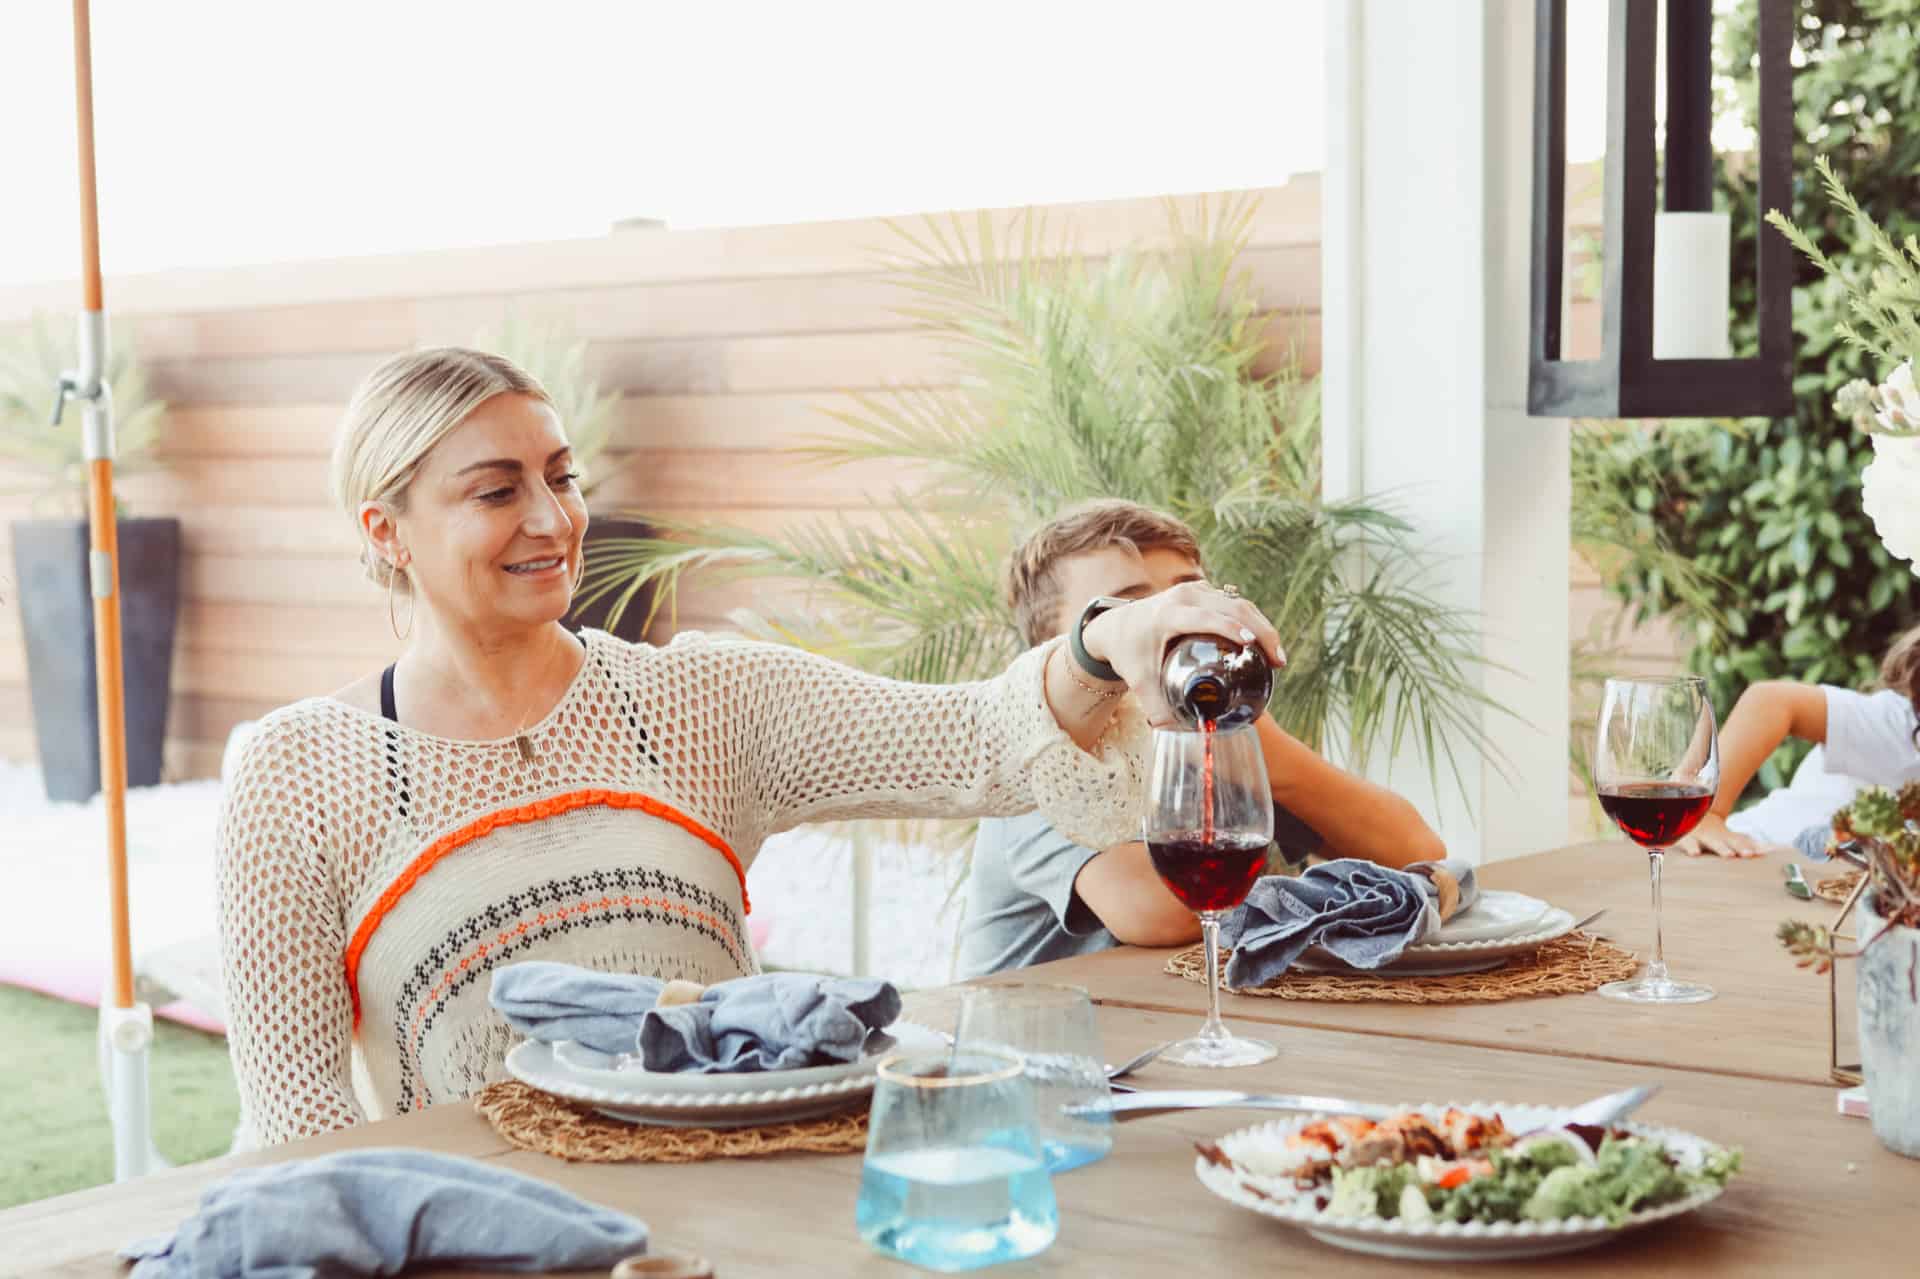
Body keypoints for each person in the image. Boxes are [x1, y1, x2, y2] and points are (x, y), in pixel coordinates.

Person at [216, 349, 1283, 1147]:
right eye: (497, 491)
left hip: (742, 1211)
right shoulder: (297, 773)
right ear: (385, 531)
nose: (552, 517)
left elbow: (975, 737)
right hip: (485, 1240)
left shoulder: (703, 698)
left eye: (562, 475)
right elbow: (297, 1118)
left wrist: (1102, 641)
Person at [956, 500, 1446, 978]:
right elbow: (1159, 911)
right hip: (1037, 1045)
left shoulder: (1210, 722)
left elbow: (1414, 849)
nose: (1167, 621)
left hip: (1168, 1032)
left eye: (1187, 597)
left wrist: (1271, 759)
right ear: (1056, 653)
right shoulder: (1041, 750)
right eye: (1127, 610)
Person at [1676, 625, 1920, 858]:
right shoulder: (1896, 723)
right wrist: (1703, 815)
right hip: (1754, 852)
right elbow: (1770, 701)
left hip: (1832, 890)